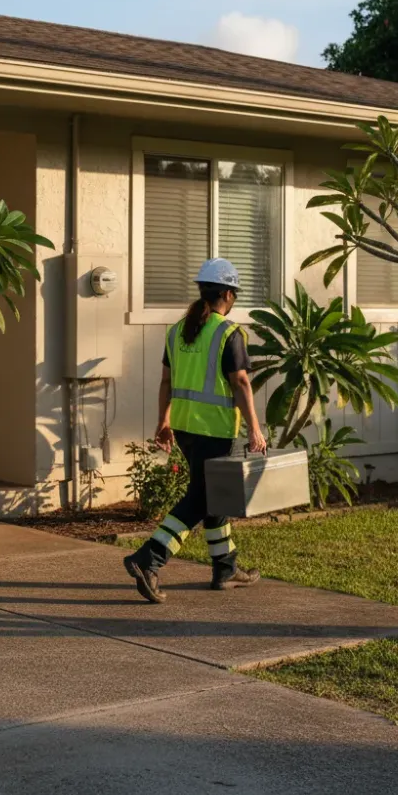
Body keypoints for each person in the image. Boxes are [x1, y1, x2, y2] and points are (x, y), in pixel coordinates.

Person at [124, 258, 267, 604]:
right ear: (228, 294)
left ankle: (225, 568)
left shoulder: (177, 331)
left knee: (211, 495)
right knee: (202, 499)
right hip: (215, 431)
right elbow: (242, 383)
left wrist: (164, 421)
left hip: (186, 429)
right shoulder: (229, 333)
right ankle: (149, 559)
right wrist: (256, 430)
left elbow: (166, 382)